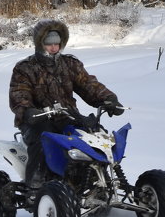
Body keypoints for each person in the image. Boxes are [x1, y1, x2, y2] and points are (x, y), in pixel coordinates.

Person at [9, 19, 122, 188]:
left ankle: (99, 181)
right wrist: (27, 111)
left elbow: (88, 85)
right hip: (38, 120)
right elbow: (19, 93)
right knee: (44, 139)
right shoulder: (25, 68)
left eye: (57, 43)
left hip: (67, 116)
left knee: (96, 135)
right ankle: (35, 186)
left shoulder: (69, 64)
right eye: (49, 43)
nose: (54, 47)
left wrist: (108, 99)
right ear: (40, 43)